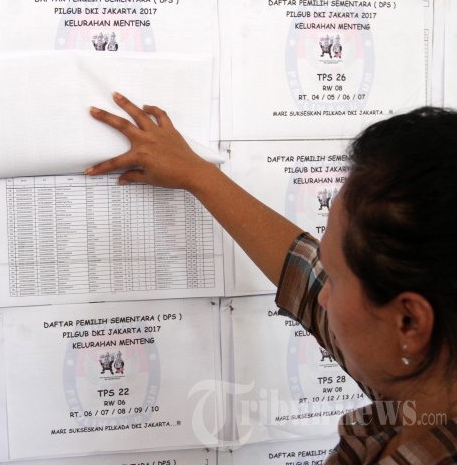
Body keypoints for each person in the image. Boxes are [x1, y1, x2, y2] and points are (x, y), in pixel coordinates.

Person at [86, 92, 457, 464]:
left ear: (409, 322)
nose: (322, 295)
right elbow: (302, 273)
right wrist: (198, 174)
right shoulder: (425, 379)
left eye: (334, 278)